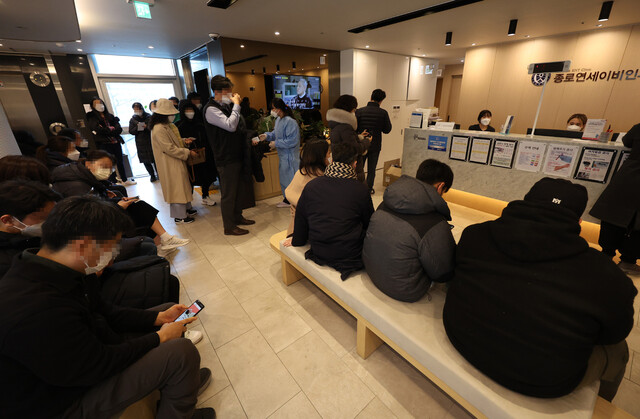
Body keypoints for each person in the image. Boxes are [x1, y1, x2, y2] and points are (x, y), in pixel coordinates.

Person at [0, 195, 215, 418]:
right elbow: (95, 365)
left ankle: (177, 382)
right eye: (112, 247)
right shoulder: (35, 308)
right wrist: (159, 338)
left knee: (169, 312)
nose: (112, 257)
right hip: (61, 401)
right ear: (83, 245)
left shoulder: (61, 269)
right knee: (180, 353)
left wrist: (158, 319)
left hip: (86, 356)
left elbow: (106, 311)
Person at [443, 178, 637, 400]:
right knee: (618, 351)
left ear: (525, 202)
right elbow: (614, 334)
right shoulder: (608, 277)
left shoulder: (474, 234)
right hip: (544, 381)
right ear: (579, 222)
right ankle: (603, 408)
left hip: (461, 337)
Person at [51, 150, 190, 257]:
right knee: (137, 210)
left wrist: (108, 195)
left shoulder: (79, 174)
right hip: (90, 228)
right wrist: (117, 207)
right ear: (89, 164)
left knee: (137, 205)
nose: (107, 171)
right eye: (103, 166)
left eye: (109, 168)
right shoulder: (76, 186)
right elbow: (89, 216)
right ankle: (164, 241)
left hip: (97, 215)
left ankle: (164, 241)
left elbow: (94, 201)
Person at [363, 159, 455, 302]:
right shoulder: (434, 222)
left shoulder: (386, 202)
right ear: (440, 186)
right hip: (405, 290)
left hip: (372, 272)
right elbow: (443, 272)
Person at [291, 142, 374, 279]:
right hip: (349, 255)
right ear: (354, 164)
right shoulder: (360, 190)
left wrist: (297, 241)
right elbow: (370, 223)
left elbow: (301, 219)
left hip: (319, 250)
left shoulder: (312, 186)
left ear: (332, 160)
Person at [203, 75, 255, 236]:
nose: (231, 95)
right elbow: (230, 126)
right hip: (225, 158)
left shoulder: (224, 106)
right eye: (228, 91)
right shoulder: (210, 109)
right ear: (218, 92)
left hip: (235, 154)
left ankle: (238, 217)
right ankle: (229, 226)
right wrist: (237, 105)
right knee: (228, 193)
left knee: (238, 190)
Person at [590, 123, 640, 274]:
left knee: (614, 214)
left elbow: (627, 141)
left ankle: (605, 254)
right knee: (638, 225)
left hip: (631, 175)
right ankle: (628, 261)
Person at [150, 99, 198, 224]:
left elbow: (173, 141)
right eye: (170, 114)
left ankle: (187, 209)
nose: (172, 116)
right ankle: (179, 216)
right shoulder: (159, 128)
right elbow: (169, 148)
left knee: (181, 186)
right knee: (176, 189)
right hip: (169, 162)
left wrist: (183, 141)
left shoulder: (167, 126)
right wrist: (187, 152)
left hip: (175, 160)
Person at [0, 180, 59, 277]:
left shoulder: (28, 240)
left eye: (54, 217)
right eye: (43, 218)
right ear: (8, 221)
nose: (53, 224)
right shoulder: (8, 264)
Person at [284, 139, 330, 238]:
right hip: (312, 232)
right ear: (321, 156)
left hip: (295, 228)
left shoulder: (302, 172)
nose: (329, 156)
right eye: (328, 153)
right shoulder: (320, 178)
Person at [259, 98, 300, 208]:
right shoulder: (279, 120)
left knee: (291, 181)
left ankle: (292, 201)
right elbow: (276, 133)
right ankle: (287, 200)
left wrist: (276, 143)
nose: (271, 111)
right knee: (285, 180)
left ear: (279, 109)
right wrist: (267, 136)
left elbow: (292, 141)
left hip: (290, 158)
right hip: (283, 157)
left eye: (272, 108)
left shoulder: (290, 122)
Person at [86, 97, 136, 186]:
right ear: (93, 106)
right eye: (96, 103)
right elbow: (97, 130)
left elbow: (118, 128)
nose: (99, 105)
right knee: (108, 162)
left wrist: (109, 129)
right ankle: (113, 182)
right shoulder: (92, 117)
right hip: (104, 144)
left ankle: (124, 179)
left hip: (115, 142)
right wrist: (110, 130)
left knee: (120, 161)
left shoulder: (110, 116)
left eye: (100, 102)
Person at [176, 102, 218, 206]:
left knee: (206, 176)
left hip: (203, 154)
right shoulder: (178, 125)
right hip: (188, 155)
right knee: (189, 179)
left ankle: (205, 195)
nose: (190, 113)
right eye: (187, 110)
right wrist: (185, 141)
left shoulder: (200, 123)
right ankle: (188, 202)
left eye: (191, 110)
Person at [327, 95, 372, 183]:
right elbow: (355, 149)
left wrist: (359, 137)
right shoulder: (346, 127)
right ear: (349, 109)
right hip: (350, 168)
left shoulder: (336, 125)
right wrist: (367, 141)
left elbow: (344, 142)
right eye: (354, 110)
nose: (354, 112)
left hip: (339, 167)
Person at [356, 89, 392, 194]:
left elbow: (354, 128)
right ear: (381, 101)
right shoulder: (383, 113)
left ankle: (357, 188)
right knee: (372, 169)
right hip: (375, 145)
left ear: (371, 97)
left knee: (359, 168)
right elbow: (387, 130)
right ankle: (368, 189)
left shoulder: (359, 111)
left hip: (362, 144)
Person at [129, 102, 158, 182]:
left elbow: (154, 128)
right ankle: (152, 175)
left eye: (138, 108)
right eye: (135, 109)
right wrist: (138, 127)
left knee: (155, 158)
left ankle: (159, 174)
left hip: (150, 140)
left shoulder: (149, 117)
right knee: (145, 160)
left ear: (142, 108)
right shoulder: (133, 119)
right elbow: (131, 131)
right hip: (140, 142)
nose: (137, 110)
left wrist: (146, 127)